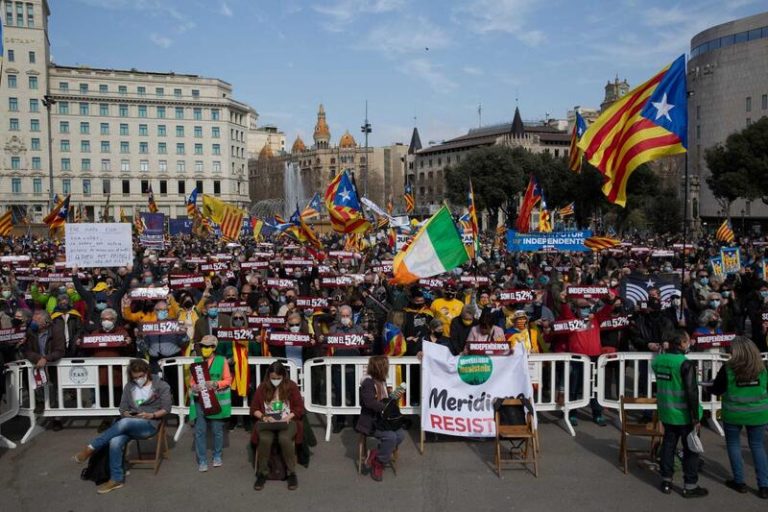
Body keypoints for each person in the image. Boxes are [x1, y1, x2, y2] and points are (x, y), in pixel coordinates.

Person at [73, 358, 171, 494]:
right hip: (130, 422)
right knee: (115, 440)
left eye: (141, 376)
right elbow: (122, 409)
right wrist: (128, 413)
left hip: (149, 424)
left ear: (147, 372)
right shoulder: (129, 386)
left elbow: (166, 408)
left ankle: (91, 447)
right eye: (135, 377)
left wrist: (152, 415)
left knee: (124, 423)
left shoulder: (161, 385)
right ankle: (116, 479)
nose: (138, 379)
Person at [710, 336, 768, 498]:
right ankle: (764, 486)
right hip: (758, 413)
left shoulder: (728, 368)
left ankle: (739, 481)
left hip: (734, 413)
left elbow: (716, 390)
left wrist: (709, 387)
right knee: (757, 446)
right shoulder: (762, 368)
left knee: (733, 445)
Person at [651, 331, 707, 498]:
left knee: (668, 446)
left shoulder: (658, 361)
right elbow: (691, 392)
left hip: (666, 412)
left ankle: (666, 481)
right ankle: (690, 486)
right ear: (682, 343)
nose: (689, 344)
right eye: (687, 341)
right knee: (691, 450)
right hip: (684, 415)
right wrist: (696, 417)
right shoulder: (685, 364)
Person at [250, 361, 304, 491]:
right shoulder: (262, 387)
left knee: (284, 438)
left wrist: (288, 417)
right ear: (268, 376)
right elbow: (254, 409)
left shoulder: (291, 386)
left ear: (283, 376)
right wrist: (264, 417)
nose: (275, 381)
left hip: (288, 421)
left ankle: (291, 473)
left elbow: (299, 408)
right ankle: (262, 473)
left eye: (278, 378)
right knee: (265, 439)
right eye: (273, 378)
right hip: (268, 422)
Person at [356, 355, 406, 482]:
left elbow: (385, 400)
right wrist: (386, 407)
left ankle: (376, 454)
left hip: (383, 420)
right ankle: (379, 462)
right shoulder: (368, 383)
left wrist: (393, 397)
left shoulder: (381, 380)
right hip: (372, 422)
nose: (387, 368)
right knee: (391, 437)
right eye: (385, 366)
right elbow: (369, 403)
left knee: (400, 435)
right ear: (380, 368)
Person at [189, 335, 232, 472]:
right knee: (200, 431)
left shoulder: (221, 360)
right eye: (202, 346)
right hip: (200, 400)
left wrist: (215, 383)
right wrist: (194, 386)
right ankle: (202, 460)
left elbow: (228, 380)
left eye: (207, 346)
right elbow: (192, 381)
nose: (204, 349)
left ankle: (217, 455)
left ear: (214, 347)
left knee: (217, 430)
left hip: (215, 401)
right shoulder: (197, 361)